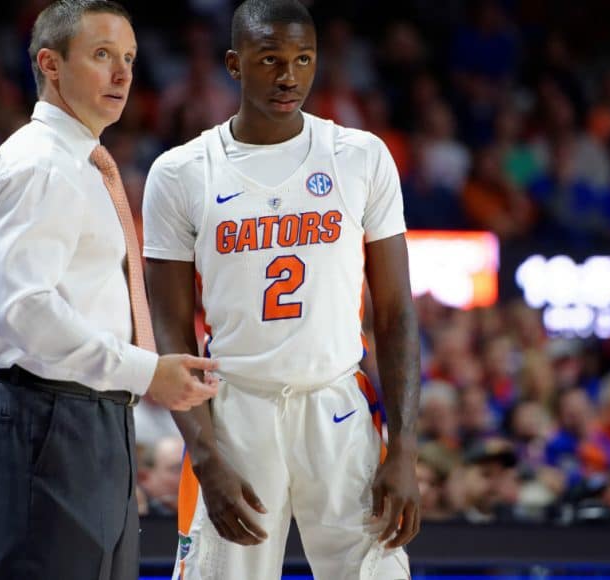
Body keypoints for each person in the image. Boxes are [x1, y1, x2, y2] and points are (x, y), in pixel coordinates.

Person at [143, 1, 422, 577]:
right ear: (234, 64)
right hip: (234, 406)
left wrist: (406, 449)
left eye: (303, 59)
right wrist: (205, 457)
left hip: (338, 403)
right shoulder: (180, 171)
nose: (289, 75)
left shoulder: (361, 157)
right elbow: (169, 327)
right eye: (270, 59)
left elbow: (395, 313)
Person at [0, 2, 218, 578]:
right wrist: (145, 370)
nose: (124, 75)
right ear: (50, 64)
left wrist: (138, 376)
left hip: (95, 415)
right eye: (103, 55)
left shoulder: (84, 164)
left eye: (129, 58)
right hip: (47, 414)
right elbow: (26, 311)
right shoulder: (39, 165)